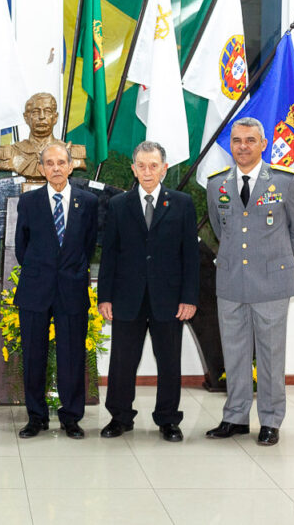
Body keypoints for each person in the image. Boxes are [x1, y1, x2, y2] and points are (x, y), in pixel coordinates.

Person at [205, 117, 294, 446]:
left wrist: (274, 259)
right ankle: (235, 417)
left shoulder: (284, 181)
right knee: (233, 353)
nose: (243, 147)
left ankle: (270, 420)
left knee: (270, 355)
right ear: (231, 144)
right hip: (231, 281)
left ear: (263, 144)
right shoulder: (217, 184)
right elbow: (220, 229)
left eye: (250, 140)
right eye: (237, 140)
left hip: (271, 284)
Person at [97, 141, 199, 443]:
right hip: (127, 297)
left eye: (153, 166)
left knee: (169, 361)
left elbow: (190, 256)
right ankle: (120, 417)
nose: (147, 171)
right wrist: (105, 296)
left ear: (164, 169)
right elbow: (109, 255)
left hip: (169, 298)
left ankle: (168, 419)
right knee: (122, 361)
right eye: (141, 166)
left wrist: (189, 297)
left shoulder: (182, 203)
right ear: (133, 169)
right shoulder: (119, 205)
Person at [13, 144, 98, 439]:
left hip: (72, 288)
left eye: (61, 162)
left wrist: (71, 269)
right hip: (35, 288)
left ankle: (71, 417)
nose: (56, 168)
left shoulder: (88, 202)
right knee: (33, 356)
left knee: (72, 356)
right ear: (41, 168)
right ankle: (36, 417)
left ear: (71, 166)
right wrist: (42, 269)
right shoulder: (29, 202)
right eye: (49, 163)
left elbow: (89, 245)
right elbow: (22, 247)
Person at [0, 92, 85, 179]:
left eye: (47, 112)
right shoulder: (11, 153)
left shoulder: (71, 153)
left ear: (55, 117)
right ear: (26, 118)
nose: (41, 117)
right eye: (35, 112)